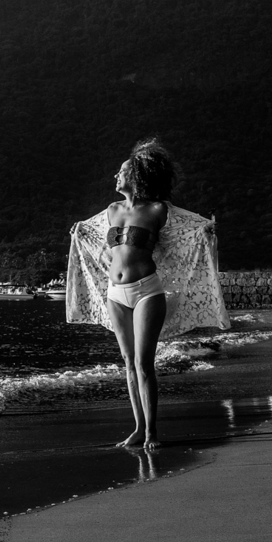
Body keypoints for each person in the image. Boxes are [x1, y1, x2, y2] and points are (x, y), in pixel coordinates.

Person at [65, 138, 231, 450]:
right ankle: (138, 428)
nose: (117, 175)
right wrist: (79, 230)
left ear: (138, 176)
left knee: (143, 363)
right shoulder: (112, 211)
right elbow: (99, 242)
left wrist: (205, 231)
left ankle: (153, 432)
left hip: (146, 292)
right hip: (115, 293)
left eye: (123, 171)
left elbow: (188, 230)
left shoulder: (157, 210)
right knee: (128, 362)